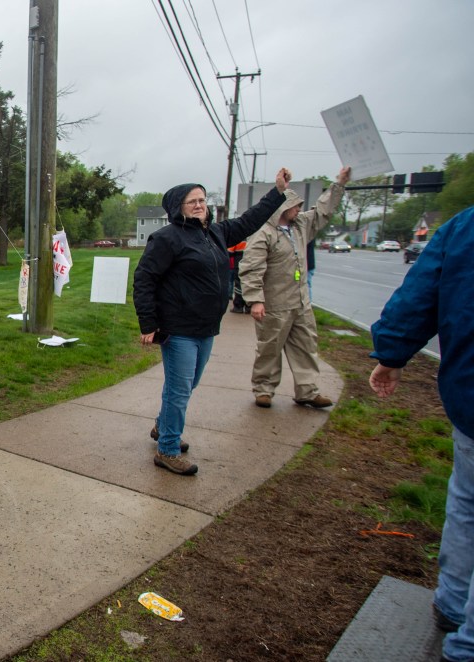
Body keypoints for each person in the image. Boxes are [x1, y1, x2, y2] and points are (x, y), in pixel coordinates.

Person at [368, 206, 474, 662]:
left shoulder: (465, 227)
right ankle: (464, 637)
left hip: (469, 393)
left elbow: (418, 296)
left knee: (466, 501)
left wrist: (391, 354)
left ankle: (453, 604)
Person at [134, 168, 290, 476]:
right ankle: (167, 449)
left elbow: (250, 220)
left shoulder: (216, 233)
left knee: (188, 385)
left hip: (206, 328)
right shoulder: (167, 238)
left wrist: (278, 191)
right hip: (179, 328)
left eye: (202, 199)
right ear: (177, 206)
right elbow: (144, 279)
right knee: (179, 390)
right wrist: (148, 323)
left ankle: (163, 425)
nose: (199, 204)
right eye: (191, 200)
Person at [239, 167, 350, 409]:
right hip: (274, 304)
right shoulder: (264, 234)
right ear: (282, 207)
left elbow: (322, 211)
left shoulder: (300, 226)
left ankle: (307, 391)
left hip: (300, 302)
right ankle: (264, 389)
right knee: (269, 350)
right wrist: (256, 299)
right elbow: (251, 267)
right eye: (295, 205)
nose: (299, 209)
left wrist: (338, 184)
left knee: (306, 347)